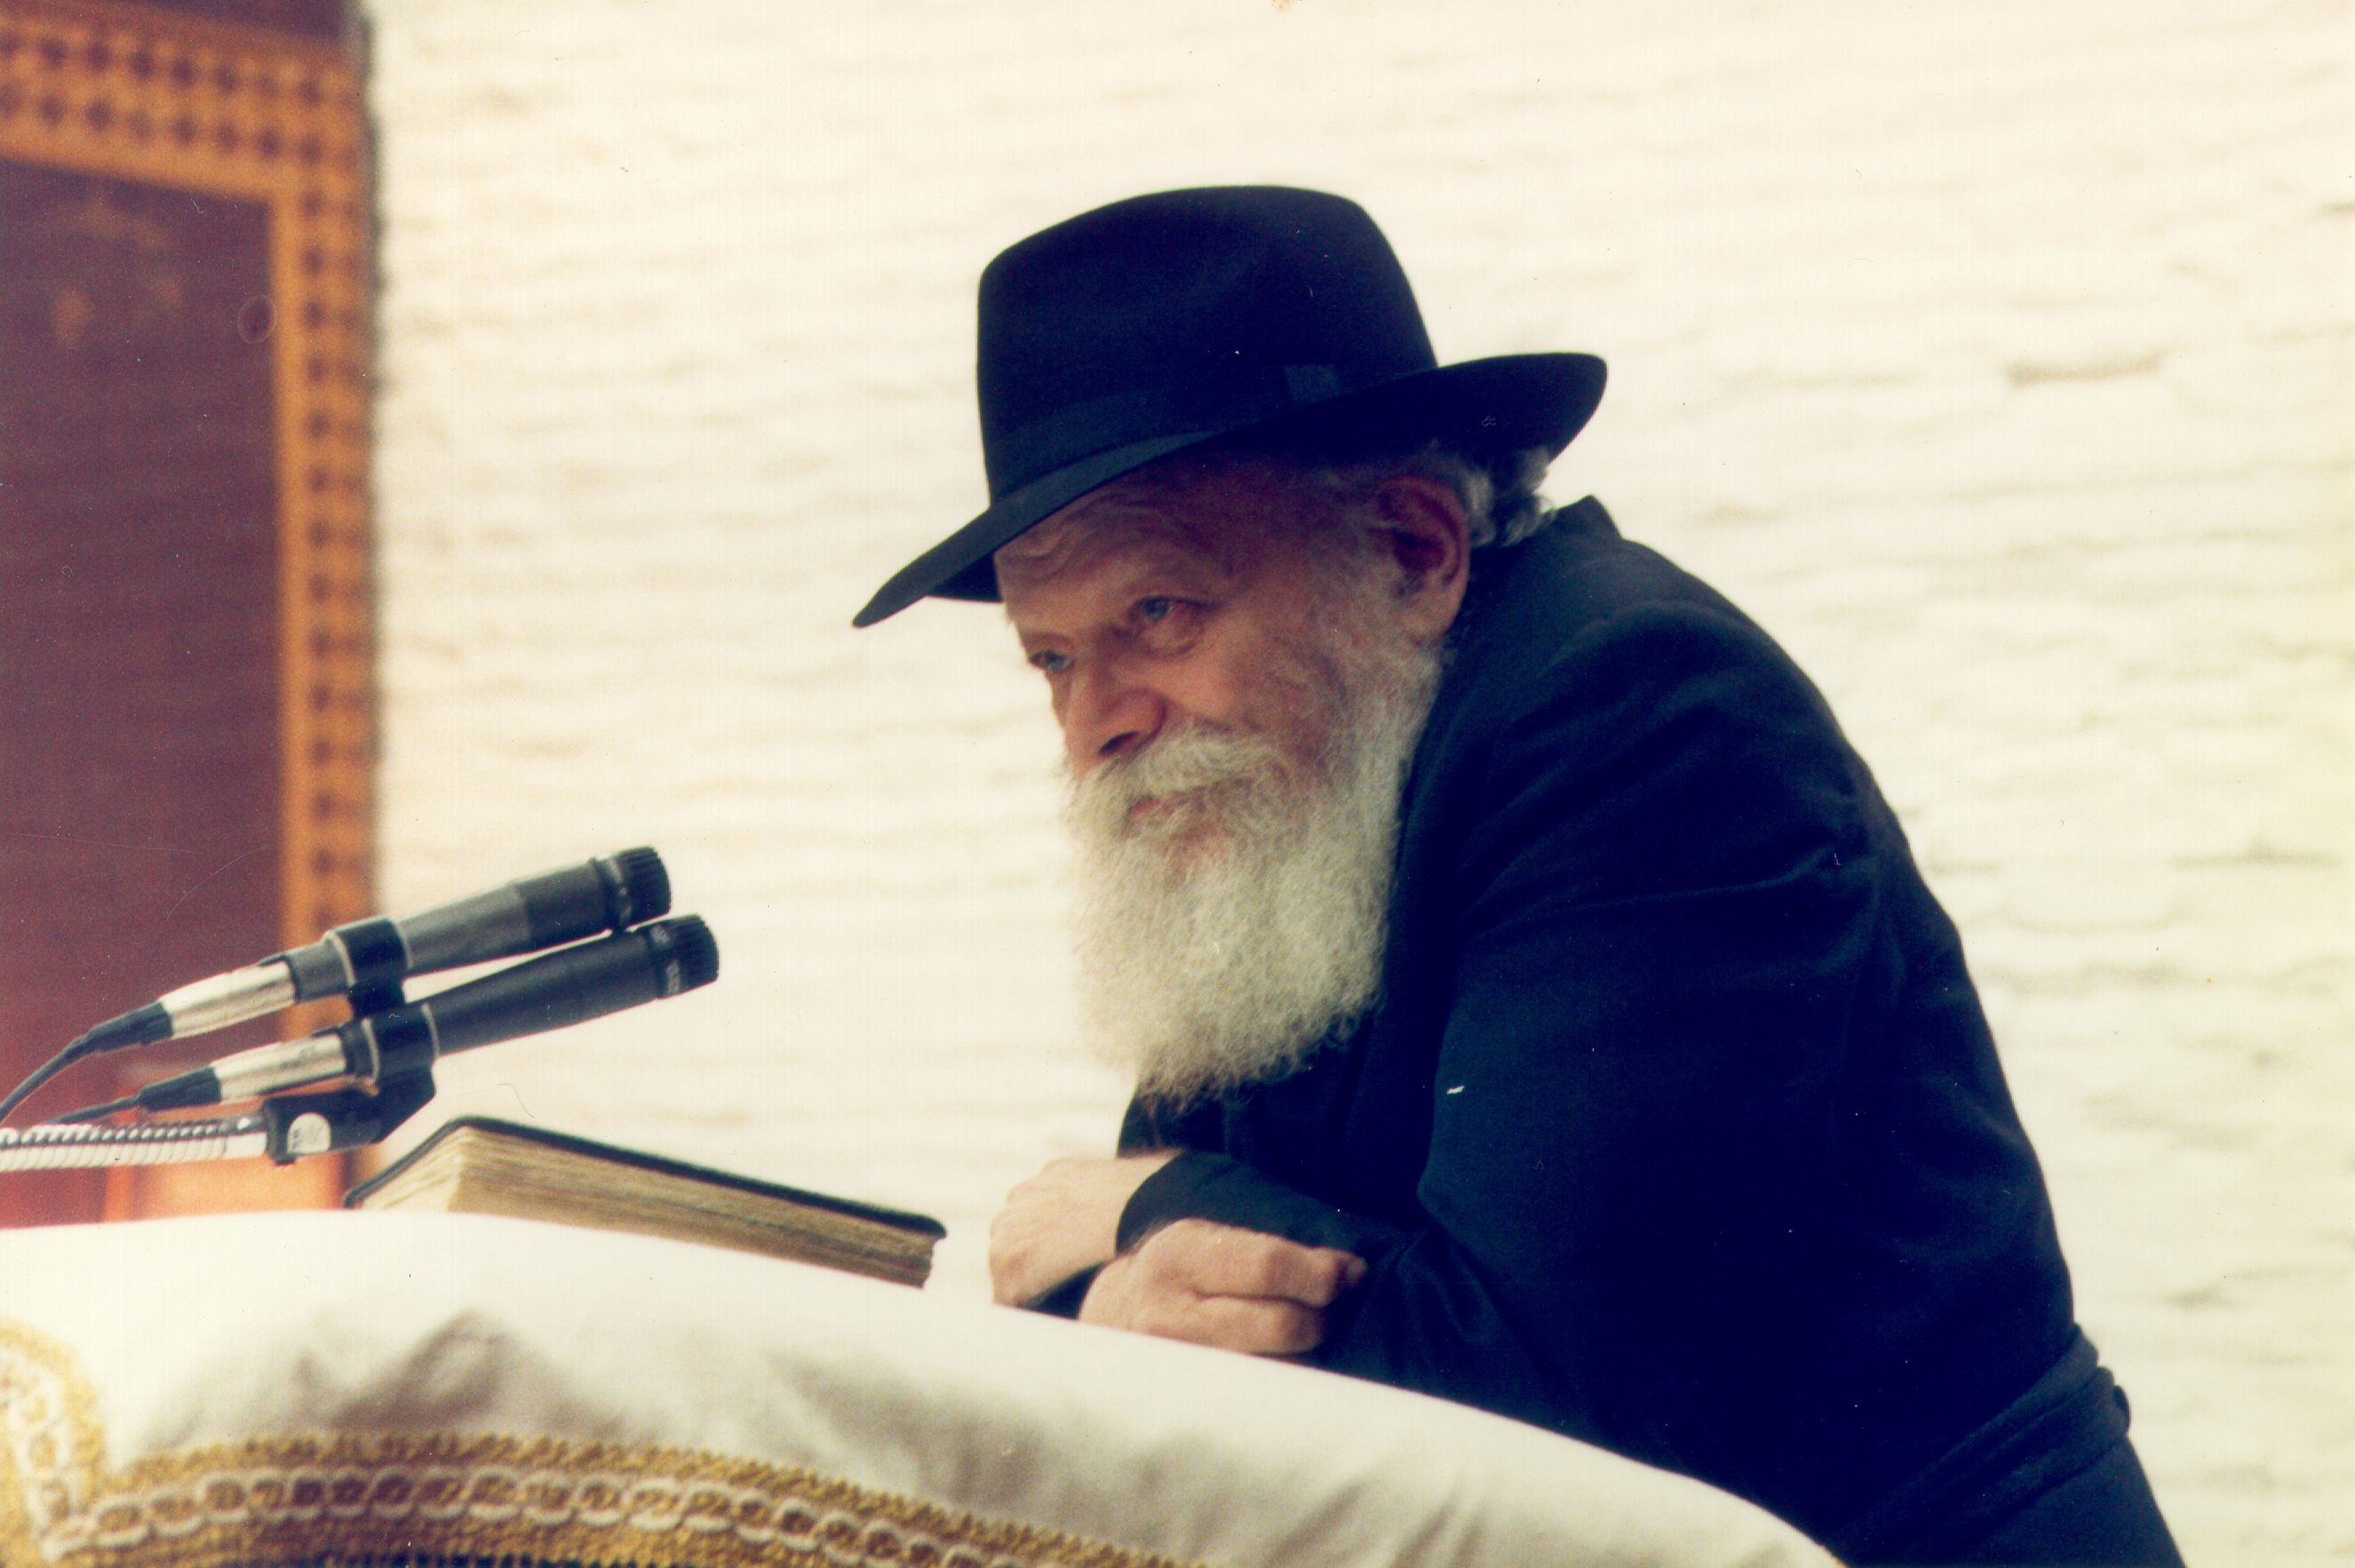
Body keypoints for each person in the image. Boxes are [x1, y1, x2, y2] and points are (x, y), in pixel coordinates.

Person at [853, 187, 2181, 1566]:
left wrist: (1149, 1210)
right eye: (1053, 658)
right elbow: (1128, 1295)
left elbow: (1549, 1404)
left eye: (1157, 612)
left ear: (1413, 549)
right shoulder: (1285, 787)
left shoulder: (1639, 713)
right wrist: (1127, 1291)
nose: (1097, 724)